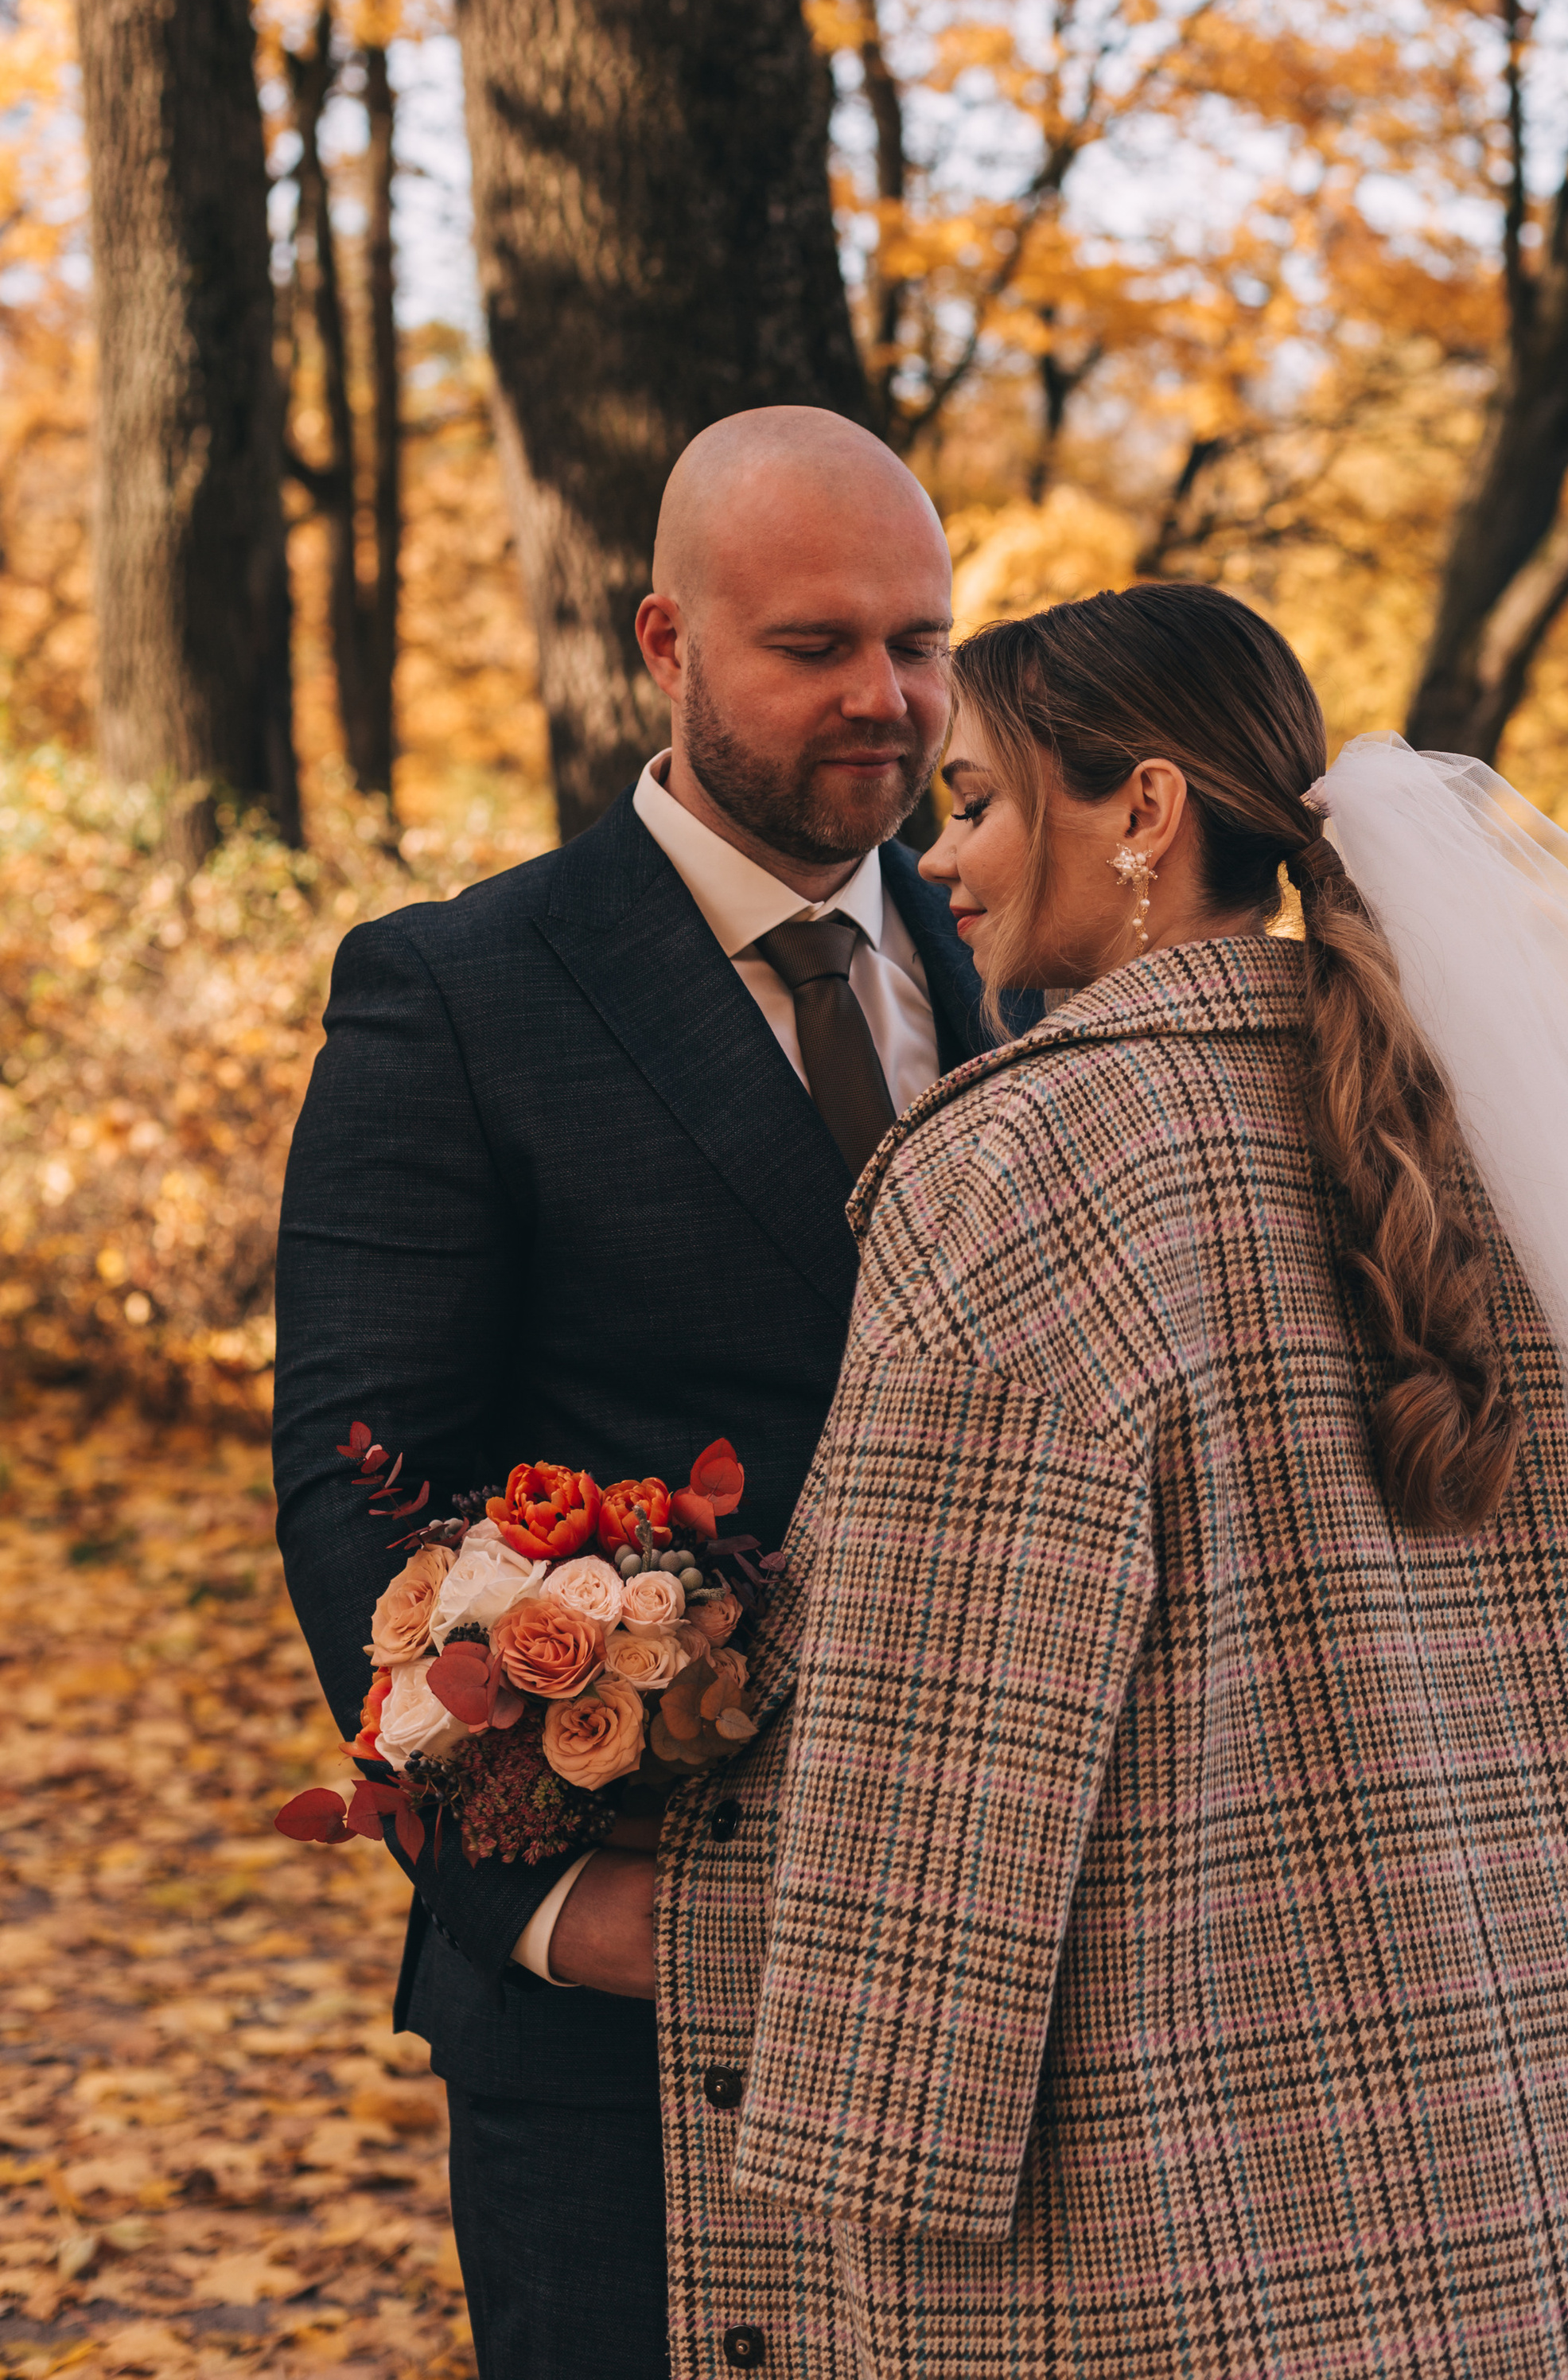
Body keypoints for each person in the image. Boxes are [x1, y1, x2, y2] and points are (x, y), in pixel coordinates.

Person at [653, 581, 1568, 2380]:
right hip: (1533, 2126)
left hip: (1167, 2198)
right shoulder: (1508, 1134)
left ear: (1141, 812)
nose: (946, 865)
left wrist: (828, 2159)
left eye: (980, 801)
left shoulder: (1020, 1164)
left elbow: (940, 1772)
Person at [272, 410, 1033, 2380]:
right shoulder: (459, 989)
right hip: (624, 1986)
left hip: (998, 1966)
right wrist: (534, 1899)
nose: (888, 699)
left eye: (921, 641)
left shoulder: (1021, 971)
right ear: (665, 643)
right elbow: (362, 1483)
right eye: (815, 647)